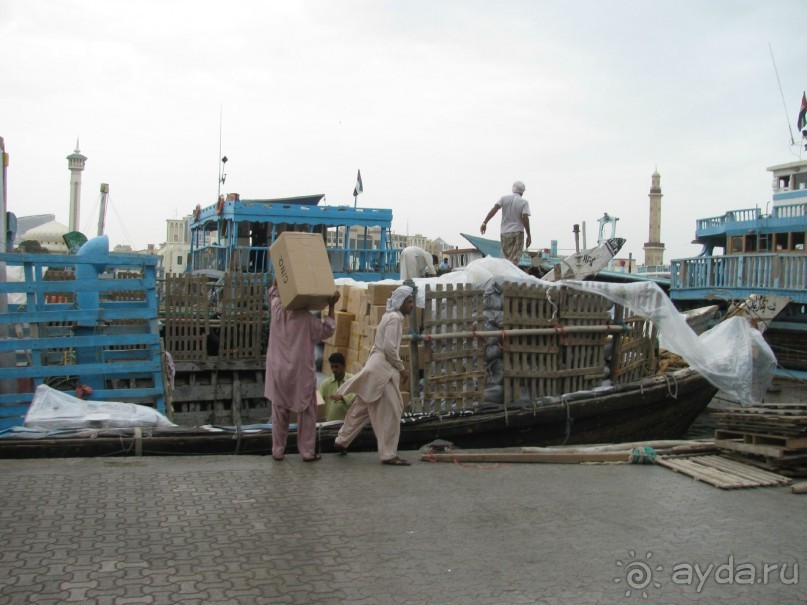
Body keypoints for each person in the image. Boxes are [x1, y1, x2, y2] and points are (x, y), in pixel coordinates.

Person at [333, 285, 414, 466]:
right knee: (391, 412)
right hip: (382, 371)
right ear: (400, 302)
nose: (412, 305)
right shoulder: (394, 318)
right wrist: (402, 369)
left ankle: (341, 441)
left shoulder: (389, 316)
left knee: (362, 406)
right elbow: (389, 348)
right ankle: (388, 454)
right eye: (409, 301)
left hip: (376, 366)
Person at [264, 280, 340, 462]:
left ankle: (278, 451)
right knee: (306, 412)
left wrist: (281, 278)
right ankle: (306, 452)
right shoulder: (306, 319)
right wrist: (331, 306)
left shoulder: (276, 310)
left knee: (279, 411)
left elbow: (273, 293)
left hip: (278, 371)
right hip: (300, 373)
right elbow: (328, 330)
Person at [480, 181, 532, 265]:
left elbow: (494, 209)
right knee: (514, 260)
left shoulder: (504, 198)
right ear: (522, 192)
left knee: (505, 260)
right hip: (518, 232)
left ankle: (506, 276)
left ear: (513, 189)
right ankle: (511, 276)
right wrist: (529, 235)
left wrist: (484, 222)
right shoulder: (524, 202)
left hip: (505, 232)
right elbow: (525, 218)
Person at [318, 351, 356, 421]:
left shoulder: (352, 380)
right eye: (332, 367)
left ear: (344, 366)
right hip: (330, 425)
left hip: (348, 424)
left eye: (336, 366)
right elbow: (318, 401)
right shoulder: (325, 384)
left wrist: (342, 397)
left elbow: (355, 396)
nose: (334, 370)